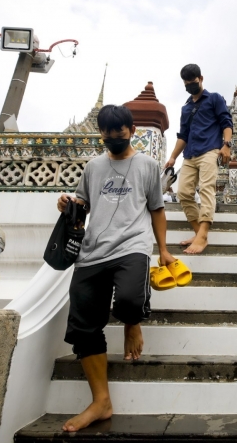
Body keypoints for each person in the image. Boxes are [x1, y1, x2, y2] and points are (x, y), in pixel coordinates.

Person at [56, 104, 176, 432]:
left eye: (119, 134)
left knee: (127, 301)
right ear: (102, 135)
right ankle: (101, 402)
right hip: (92, 251)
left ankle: (132, 322)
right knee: (83, 328)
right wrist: (69, 204)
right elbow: (83, 204)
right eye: (107, 136)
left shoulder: (148, 166)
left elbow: (157, 209)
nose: (113, 140)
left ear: (131, 131)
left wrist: (163, 250)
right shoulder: (94, 166)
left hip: (132, 246)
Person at [164, 64, 233, 254]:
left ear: (200, 79)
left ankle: (202, 236)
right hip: (189, 155)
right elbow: (183, 136)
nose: (190, 86)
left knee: (206, 189)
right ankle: (198, 232)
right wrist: (172, 158)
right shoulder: (186, 108)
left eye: (192, 82)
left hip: (210, 150)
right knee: (184, 193)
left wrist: (226, 145)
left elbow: (226, 123)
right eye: (186, 84)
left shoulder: (214, 99)